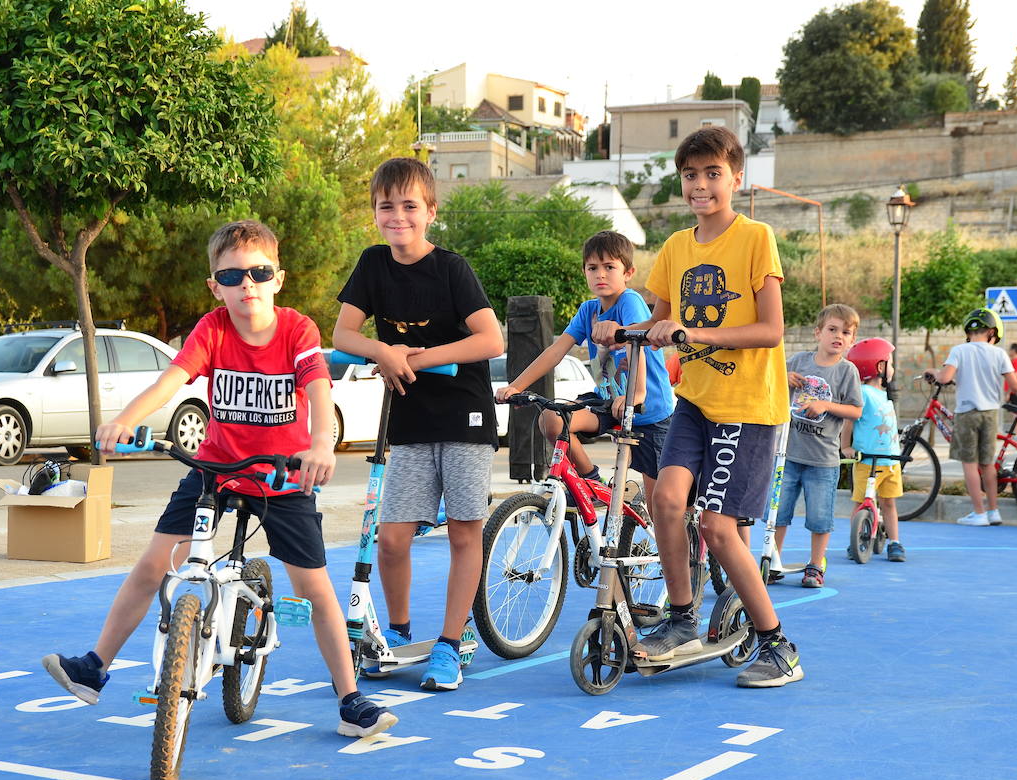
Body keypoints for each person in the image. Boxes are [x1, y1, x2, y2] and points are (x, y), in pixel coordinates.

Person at [42, 220, 397, 738]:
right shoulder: (212, 330)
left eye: (259, 272)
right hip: (215, 472)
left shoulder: (298, 330)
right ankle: (94, 667)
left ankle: (349, 699)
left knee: (316, 589)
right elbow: (170, 382)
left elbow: (320, 392)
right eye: (232, 276)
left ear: (278, 279)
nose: (246, 284)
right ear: (215, 286)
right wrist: (124, 419)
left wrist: (321, 444)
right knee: (154, 567)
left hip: (281, 478)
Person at [592, 125, 801, 688]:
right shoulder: (677, 248)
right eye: (691, 175)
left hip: (747, 405)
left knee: (716, 526)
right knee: (664, 498)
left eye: (713, 174)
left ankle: (778, 643)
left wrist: (695, 336)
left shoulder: (756, 237)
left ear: (737, 177)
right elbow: (661, 320)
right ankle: (682, 618)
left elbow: (771, 330)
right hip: (696, 402)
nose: (701, 185)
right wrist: (624, 331)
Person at [332, 157, 504, 692]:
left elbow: (491, 341)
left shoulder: (452, 269)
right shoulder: (373, 265)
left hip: (464, 414)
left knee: (462, 532)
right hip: (407, 416)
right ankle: (402, 634)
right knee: (392, 538)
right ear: (375, 213)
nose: (398, 216)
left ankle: (451, 644)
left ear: (430, 212)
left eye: (410, 206)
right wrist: (384, 350)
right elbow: (343, 335)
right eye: (387, 206)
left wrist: (416, 357)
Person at [495, 230, 674, 512]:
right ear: (584, 271)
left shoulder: (630, 301)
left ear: (628, 272)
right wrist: (516, 386)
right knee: (553, 419)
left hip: (647, 411)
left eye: (609, 267)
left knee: (659, 509)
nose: (600, 274)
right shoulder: (588, 310)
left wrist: (636, 394)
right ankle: (592, 481)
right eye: (593, 268)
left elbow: (633, 347)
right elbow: (555, 351)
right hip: (608, 403)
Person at [925, 307, 1017, 526]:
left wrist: (934, 372)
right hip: (990, 414)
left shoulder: (959, 350)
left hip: (967, 414)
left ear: (968, 332)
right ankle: (993, 511)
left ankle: (978, 513)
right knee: (987, 464)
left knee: (970, 464)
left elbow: (945, 377)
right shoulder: (999, 354)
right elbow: (1015, 383)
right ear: (992, 333)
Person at [773, 304, 863, 587]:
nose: (838, 336)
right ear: (818, 333)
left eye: (845, 332)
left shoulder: (847, 371)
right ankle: (773, 559)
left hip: (823, 459)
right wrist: (781, 379)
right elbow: (770, 387)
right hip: (788, 453)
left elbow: (856, 410)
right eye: (832, 329)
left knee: (820, 517)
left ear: (852, 340)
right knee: (779, 513)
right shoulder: (798, 362)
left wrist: (825, 404)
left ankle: (815, 564)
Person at [840, 338, 906, 562]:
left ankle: (894, 542)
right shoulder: (864, 393)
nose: (893, 368)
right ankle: (855, 538)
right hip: (867, 461)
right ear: (879, 367)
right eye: (891, 363)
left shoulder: (884, 395)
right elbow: (849, 422)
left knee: (889, 503)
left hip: (890, 462)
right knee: (861, 502)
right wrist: (846, 446)